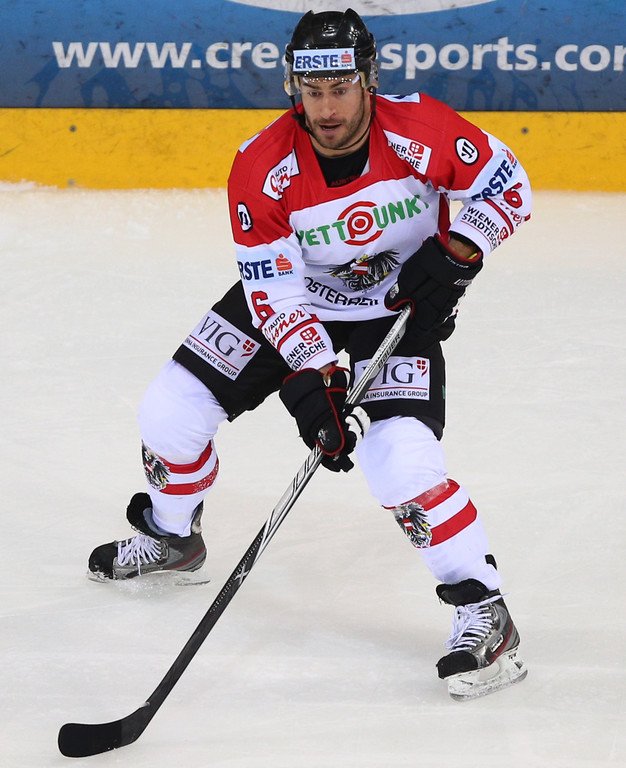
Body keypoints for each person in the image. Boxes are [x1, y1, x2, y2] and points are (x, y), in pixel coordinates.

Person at [89, 8, 531, 700]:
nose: (326, 109)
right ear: (294, 86)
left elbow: (508, 186)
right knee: (169, 412)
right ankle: (173, 536)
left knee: (400, 464)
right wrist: (314, 376)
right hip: (299, 296)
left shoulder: (421, 129)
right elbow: (273, 292)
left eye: (341, 90)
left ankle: (485, 608)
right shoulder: (261, 164)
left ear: (368, 81)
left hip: (398, 307)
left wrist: (457, 250)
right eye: (312, 91)